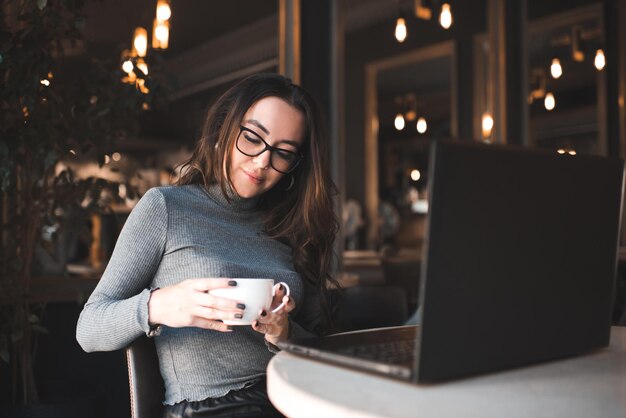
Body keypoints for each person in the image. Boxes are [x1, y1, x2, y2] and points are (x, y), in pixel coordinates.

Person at [76, 73, 339, 417]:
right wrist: (159, 306)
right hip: (214, 408)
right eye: (252, 138)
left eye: (283, 153)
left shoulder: (291, 225)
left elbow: (319, 348)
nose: (262, 161)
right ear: (227, 129)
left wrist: (284, 332)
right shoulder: (167, 208)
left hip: (296, 396)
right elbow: (89, 329)